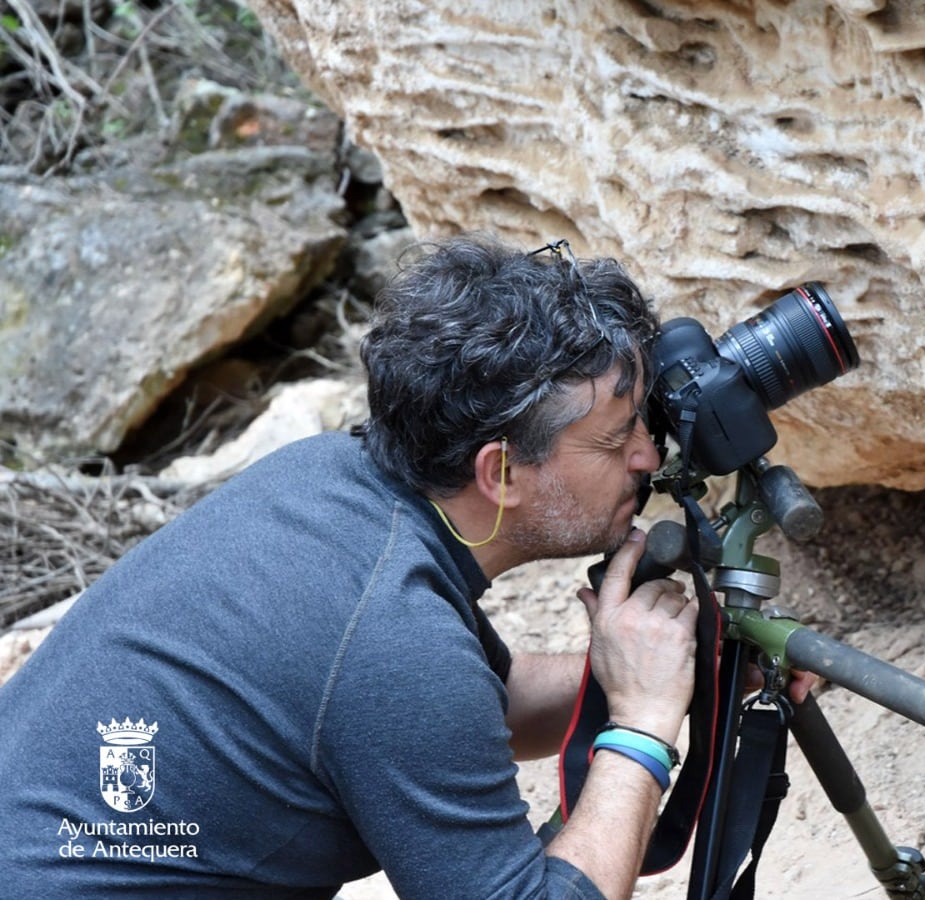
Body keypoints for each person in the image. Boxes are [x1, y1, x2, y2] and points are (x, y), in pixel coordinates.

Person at [0, 234, 705, 899]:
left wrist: (675, 673)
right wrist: (642, 722)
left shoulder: (330, 480)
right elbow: (411, 696)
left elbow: (471, 709)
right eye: (616, 440)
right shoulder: (391, 637)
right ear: (502, 471)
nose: (647, 456)